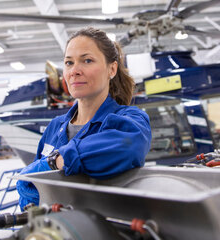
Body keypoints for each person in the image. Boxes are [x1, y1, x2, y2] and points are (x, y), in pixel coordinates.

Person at [16, 27, 152, 209]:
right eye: (69, 63)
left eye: (87, 60)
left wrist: (55, 161)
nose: (75, 71)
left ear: (111, 69)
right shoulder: (55, 127)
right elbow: (30, 190)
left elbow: (127, 145)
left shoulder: (129, 118)